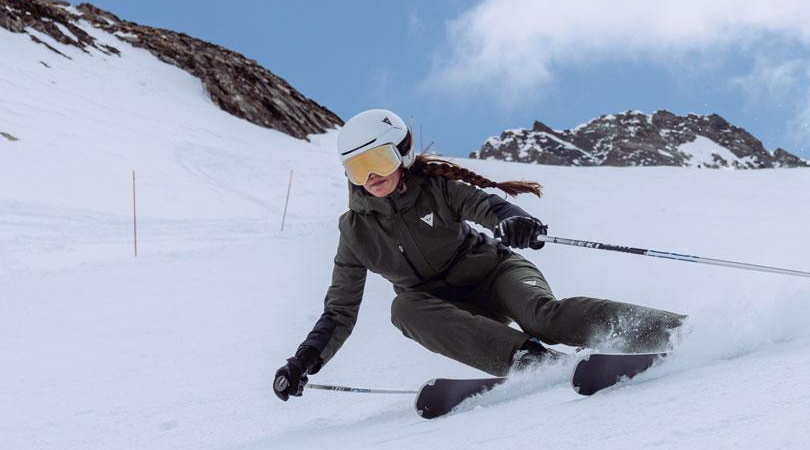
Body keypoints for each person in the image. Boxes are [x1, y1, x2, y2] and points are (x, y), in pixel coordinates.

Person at [273, 109, 684, 400]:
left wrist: (513, 219)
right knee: (404, 309)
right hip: (441, 307)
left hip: (495, 274)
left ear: (401, 152)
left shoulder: (437, 188)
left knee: (544, 316)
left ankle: (670, 330)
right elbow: (339, 311)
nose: (371, 177)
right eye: (357, 169)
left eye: (378, 160)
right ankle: (529, 361)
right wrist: (304, 361)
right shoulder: (355, 231)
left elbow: (486, 205)